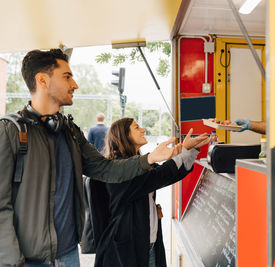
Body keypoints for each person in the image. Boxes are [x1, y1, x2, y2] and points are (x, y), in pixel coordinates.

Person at [0, 49, 206, 267]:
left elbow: (105, 168)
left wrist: (150, 158)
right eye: (67, 76)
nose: (75, 85)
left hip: (69, 254)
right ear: (42, 80)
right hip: (29, 260)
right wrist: (12, 262)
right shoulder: (10, 132)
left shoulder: (70, 131)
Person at [94, 119, 210, 267]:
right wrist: (184, 149)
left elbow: (169, 174)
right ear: (124, 135)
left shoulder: (138, 163)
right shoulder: (117, 168)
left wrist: (191, 149)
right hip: (127, 247)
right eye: (137, 127)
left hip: (148, 240)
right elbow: (159, 176)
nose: (143, 130)